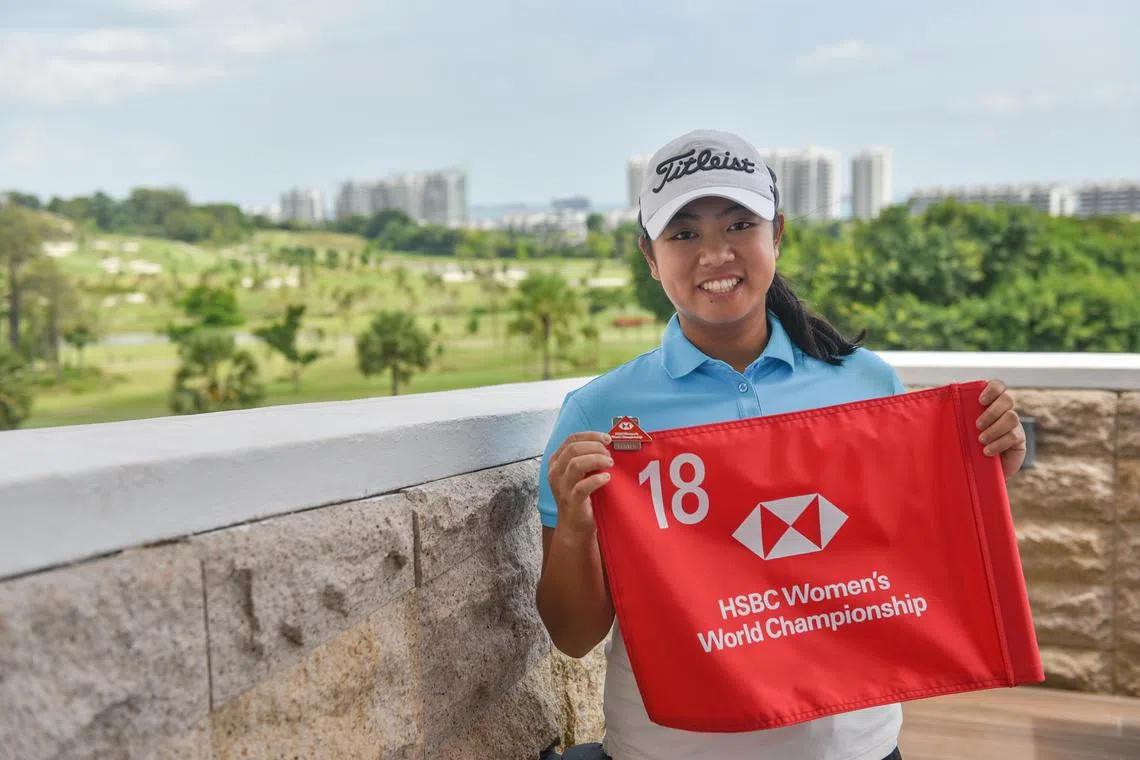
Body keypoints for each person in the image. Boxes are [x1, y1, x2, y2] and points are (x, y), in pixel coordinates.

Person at [533, 129, 1027, 760]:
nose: (715, 253)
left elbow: (915, 557)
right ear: (650, 257)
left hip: (854, 746)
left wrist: (981, 478)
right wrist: (575, 529)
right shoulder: (599, 412)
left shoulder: (869, 384)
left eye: (740, 224)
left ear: (778, 235)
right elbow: (574, 637)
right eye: (683, 234)